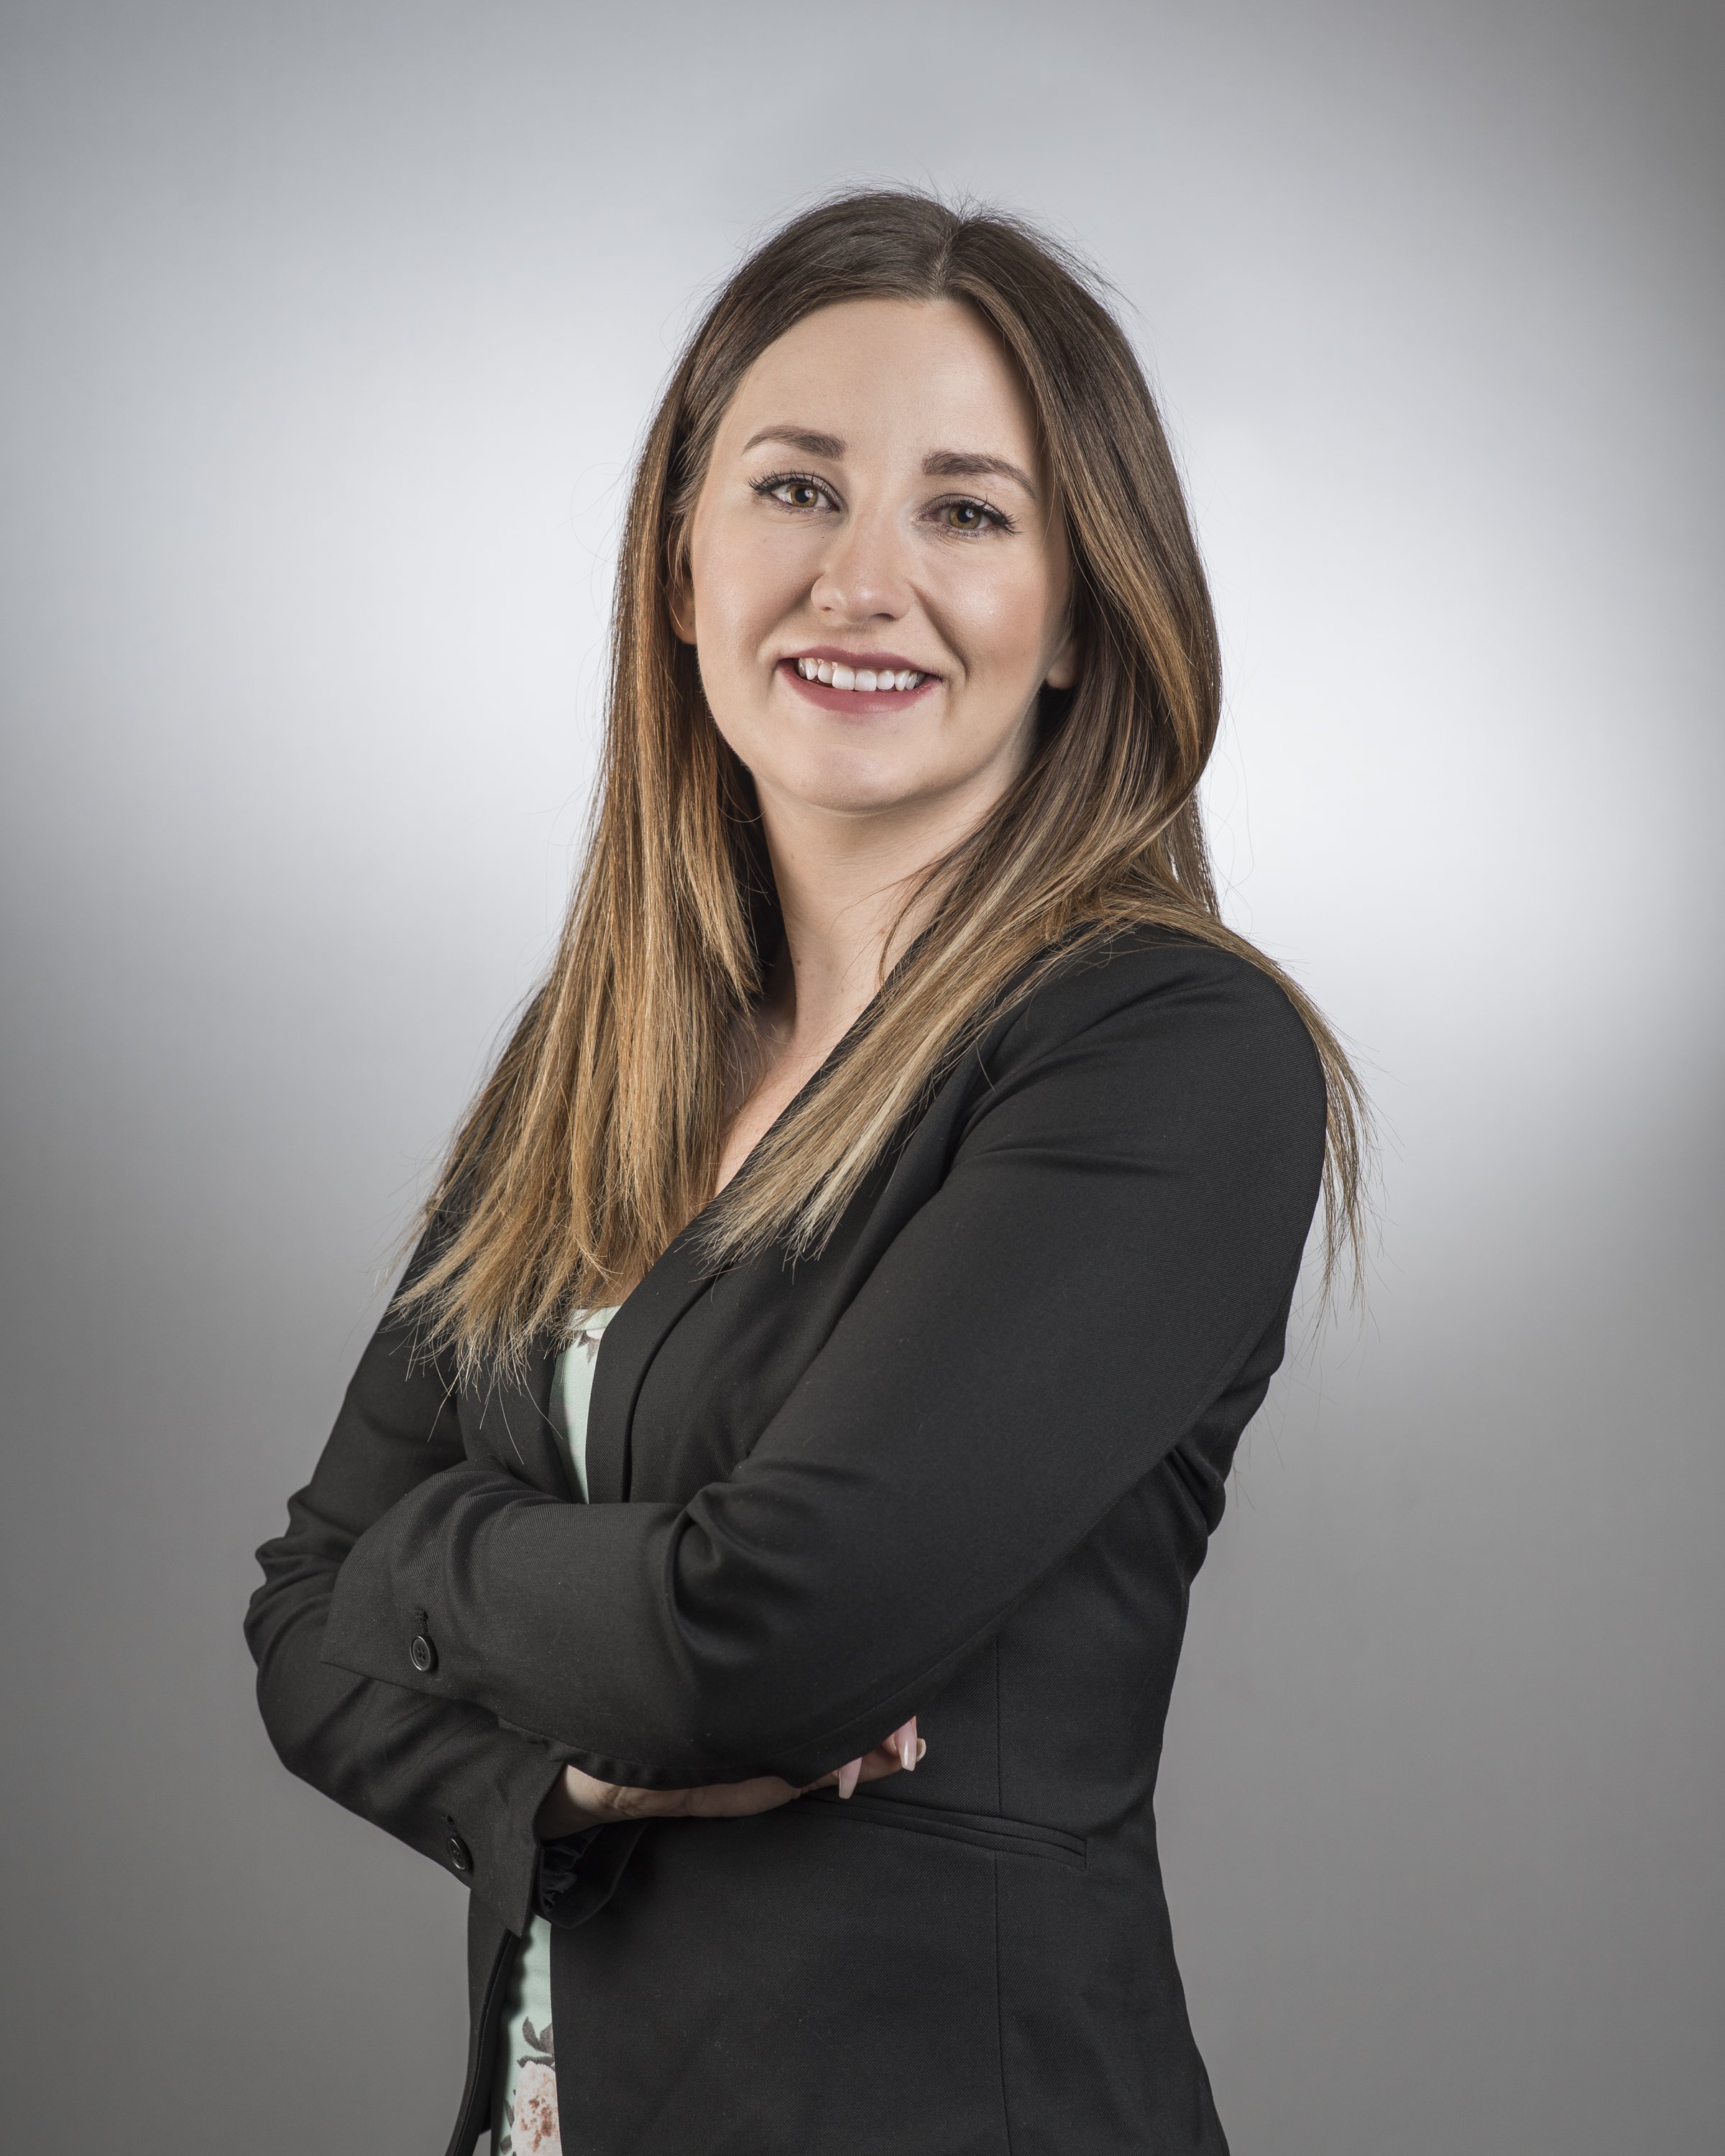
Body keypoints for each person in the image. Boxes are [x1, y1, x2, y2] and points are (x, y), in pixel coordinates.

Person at [246, 188, 1367, 2156]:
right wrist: (565, 1789)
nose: (861, 579)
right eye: (792, 488)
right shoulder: (600, 1058)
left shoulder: (1167, 1054)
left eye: (966, 510)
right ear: (681, 571)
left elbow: (751, 1644)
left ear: (1079, 612)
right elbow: (294, 1622)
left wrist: (420, 1564)